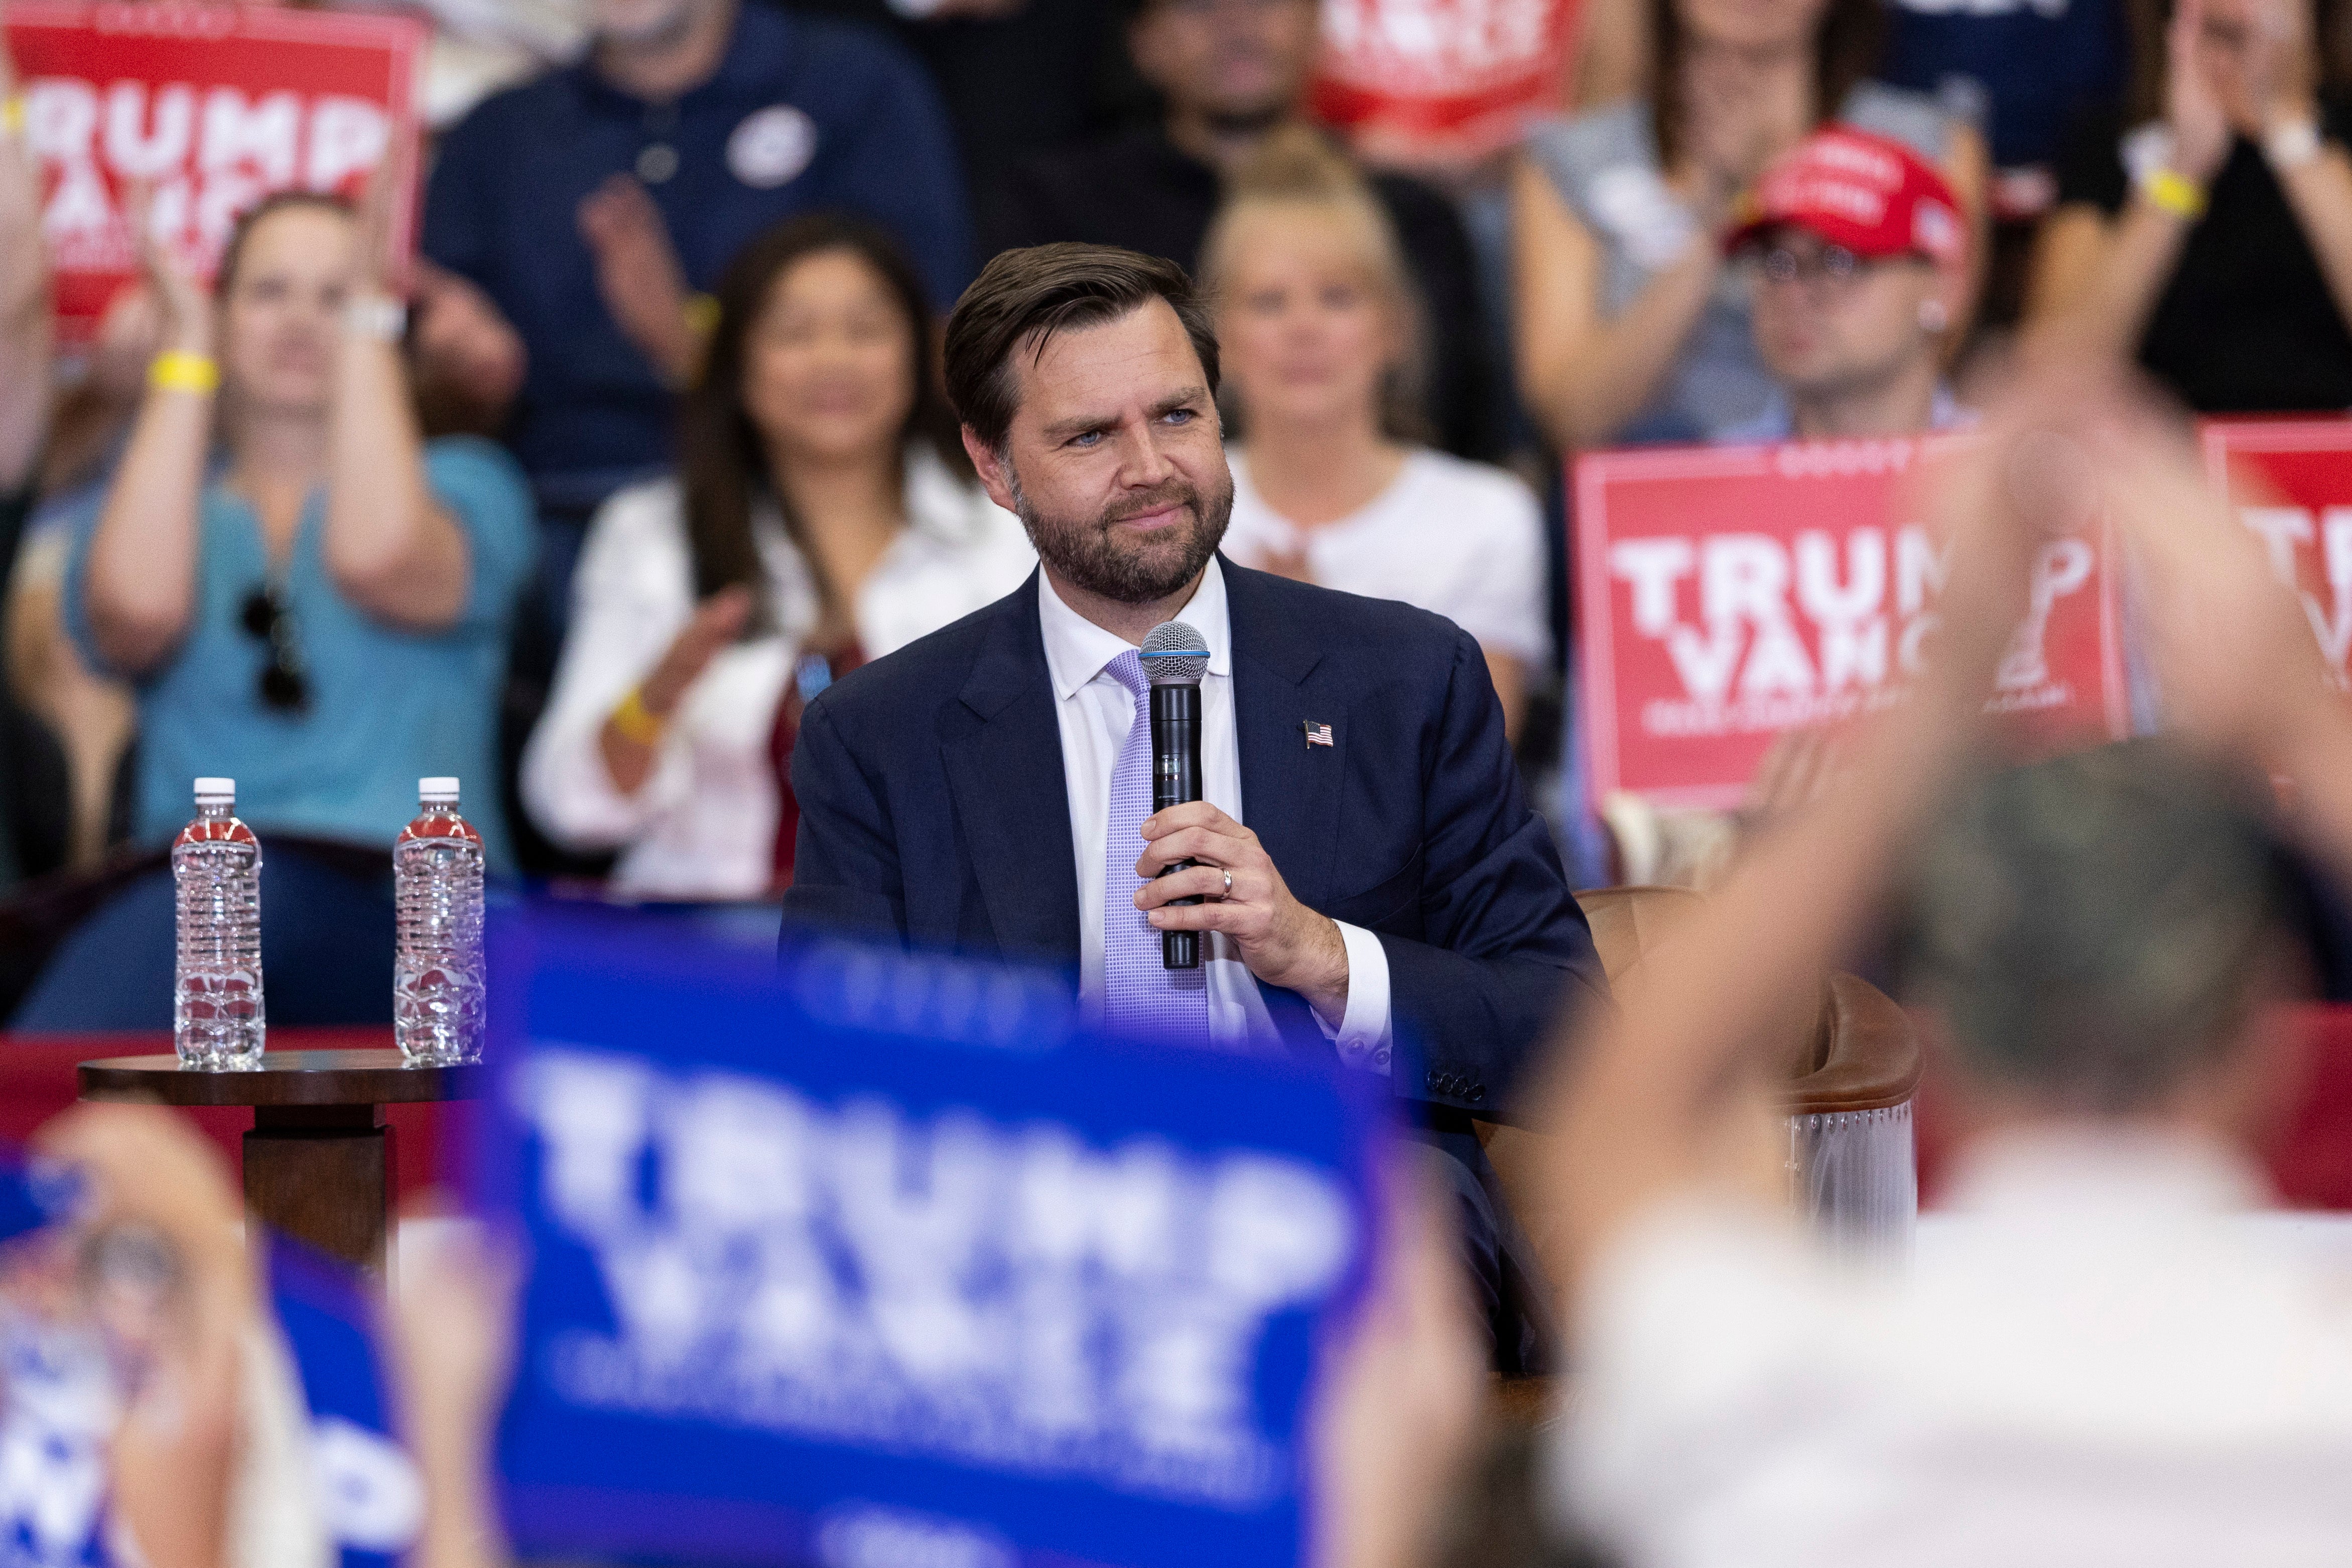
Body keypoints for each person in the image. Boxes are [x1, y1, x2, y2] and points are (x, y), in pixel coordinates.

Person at [1540, 365, 2352, 1562]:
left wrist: (1940, 681)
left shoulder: (1777, 1391)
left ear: (1948, 1042)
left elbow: (1613, 1120)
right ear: (2260, 1043)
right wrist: (2300, 704)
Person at [779, 243, 1608, 1370]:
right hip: (1030, 1216)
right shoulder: (881, 734)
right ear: (991, 463)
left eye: (1177, 414)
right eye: (1087, 435)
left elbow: (1562, 1029)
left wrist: (1321, 954)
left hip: (1340, 1189)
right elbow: (833, 1070)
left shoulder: (1405, 678)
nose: (1150, 466)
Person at [521, 215, 1035, 900]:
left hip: (943, 960)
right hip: (710, 953)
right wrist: (659, 695)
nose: (833, 360)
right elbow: (573, 810)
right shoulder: (653, 535)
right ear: (738, 361)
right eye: (794, 333)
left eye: (865, 330)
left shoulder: (1010, 524)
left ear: (918, 351)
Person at [64, 192, 536, 866]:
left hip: (414, 911)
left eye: (337, 296)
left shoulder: (466, 485)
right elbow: (137, 619)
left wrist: (369, 320)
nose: (301, 321)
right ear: (222, 311)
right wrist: (186, 349)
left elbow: (383, 562)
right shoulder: (152, 499)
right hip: (200, 910)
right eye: (267, 291)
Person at [416, 0, 972, 540]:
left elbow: (932, 347)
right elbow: (435, 410)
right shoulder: (499, 131)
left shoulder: (854, 87)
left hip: (782, 502)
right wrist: (467, 376)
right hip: (543, 509)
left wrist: (688, 346)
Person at [985, 0, 1501, 463]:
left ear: (1318, 22)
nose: (1236, 21)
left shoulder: (1409, 215)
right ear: (1144, 43)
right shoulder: (1056, 210)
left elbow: (1459, 423)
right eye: (1198, 5)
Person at [1512, 0, 1988, 449]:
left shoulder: (1929, 142)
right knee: (1660, 439)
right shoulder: (1572, 161)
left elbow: (1933, 346)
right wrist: (1714, 224)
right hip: (1658, 490)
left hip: (1865, 466)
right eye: (1780, 262)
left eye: (1842, 261)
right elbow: (1573, 422)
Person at [1201, 132, 1549, 740]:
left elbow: (1470, 771)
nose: (1304, 328)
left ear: (1394, 327)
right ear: (1216, 337)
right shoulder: (1163, 513)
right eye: (1268, 301)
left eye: (1338, 298)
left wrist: (1306, 646)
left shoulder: (1487, 517)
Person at [2027, 0, 2352, 414]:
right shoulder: (2110, 144)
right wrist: (2181, 173)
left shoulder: (2338, 136)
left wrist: (2290, 130)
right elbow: (2052, 373)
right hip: (2155, 463)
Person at [1719, 125, 1978, 440]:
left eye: (1841, 262)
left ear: (1944, 290)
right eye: (1778, 263)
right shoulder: (1703, 482)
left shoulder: (2009, 481)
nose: (1793, 293)